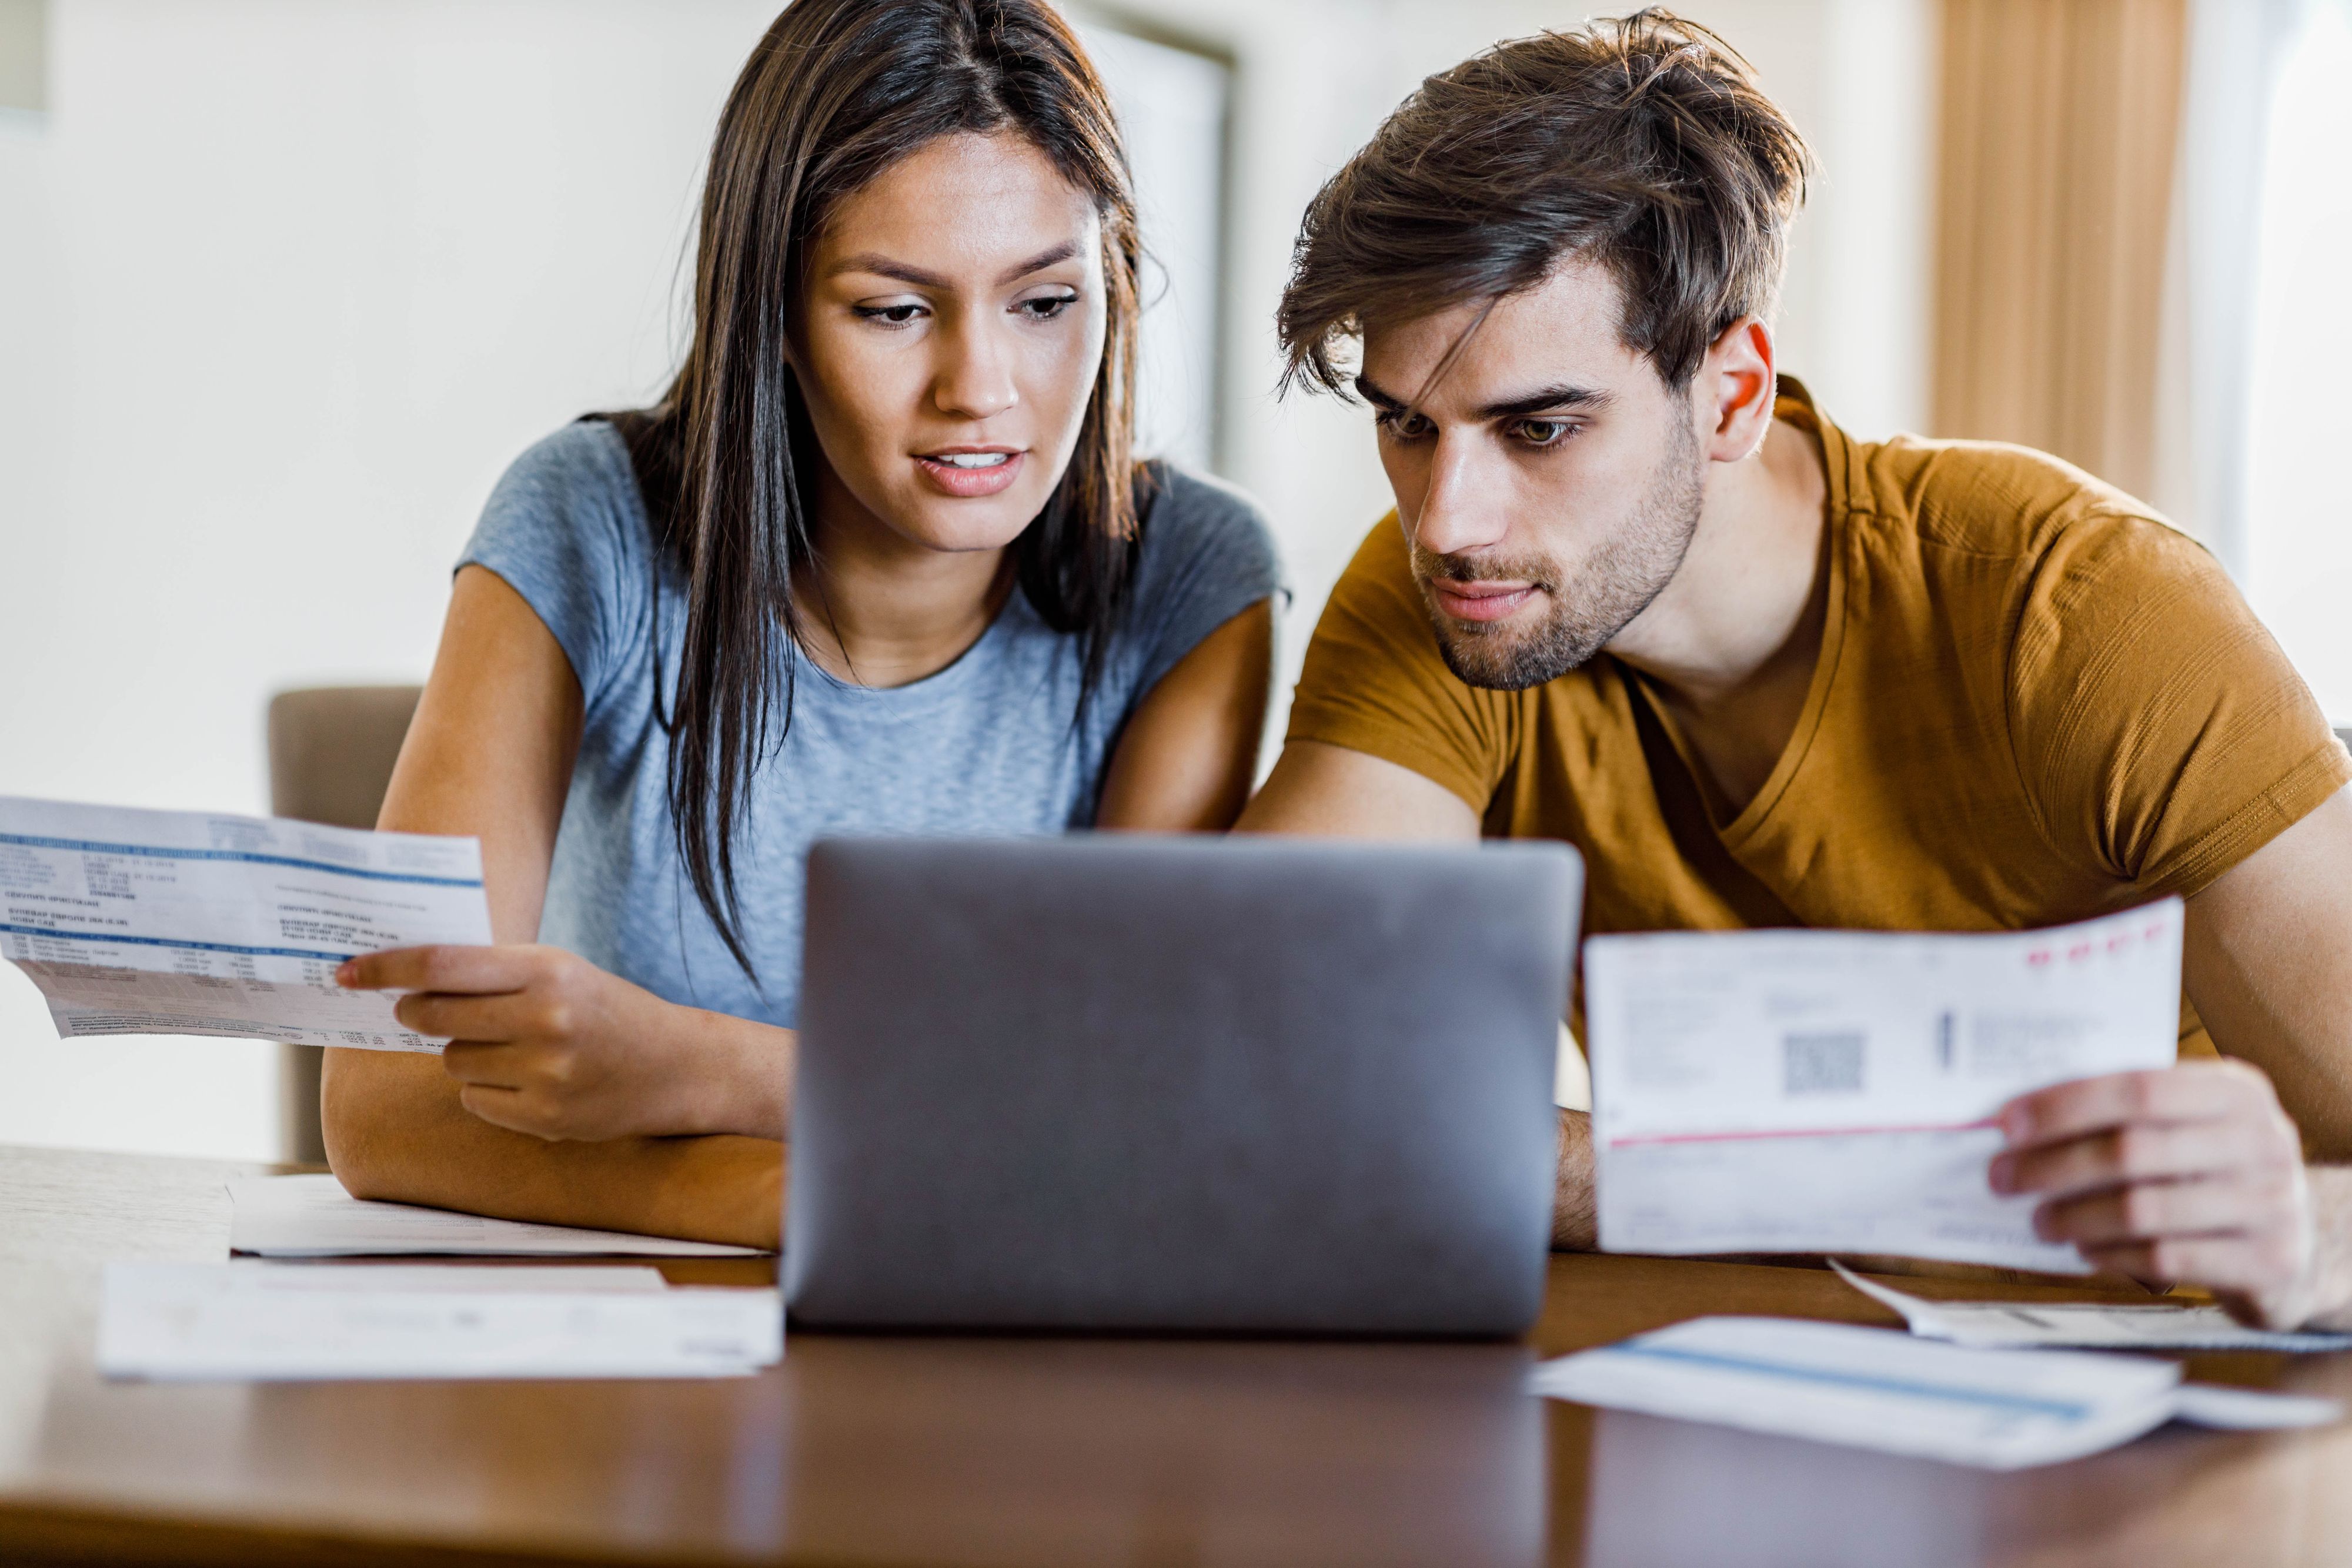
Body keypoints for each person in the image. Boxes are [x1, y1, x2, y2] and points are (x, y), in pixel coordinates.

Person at [1241, 8, 2352, 1329]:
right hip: (1685, 1393)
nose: (1446, 518)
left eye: (1536, 426)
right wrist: (1834, 1179)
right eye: (1407, 427)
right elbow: (1275, 1059)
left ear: (1728, 391)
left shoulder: (2082, 611)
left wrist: (2306, 1231)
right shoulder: (1458, 591)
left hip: (2124, 1406)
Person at [320, 0, 1279, 1249]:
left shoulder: (1191, 576)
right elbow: (381, 1100)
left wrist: (698, 1073)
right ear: (770, 310)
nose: (981, 391)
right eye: (892, 310)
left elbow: (1122, 1115)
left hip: (1000, 1365)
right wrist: (799, 1195)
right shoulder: (588, 516)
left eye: (1044, 303)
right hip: (636, 1369)